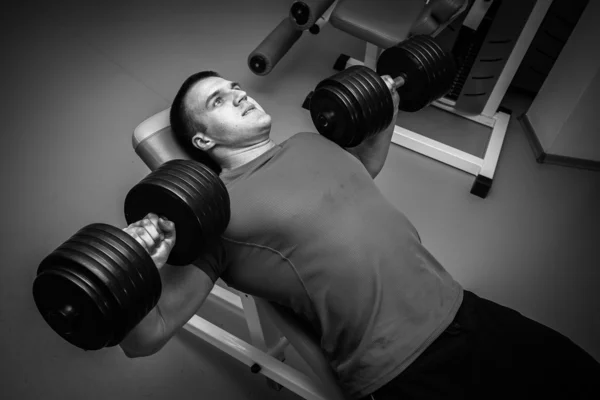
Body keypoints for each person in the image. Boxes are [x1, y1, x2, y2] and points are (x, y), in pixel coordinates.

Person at [119, 71, 600, 399]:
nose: (241, 94)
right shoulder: (213, 214)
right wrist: (142, 264)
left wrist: (386, 115)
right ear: (203, 140)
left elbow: (360, 173)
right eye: (218, 101)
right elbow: (147, 336)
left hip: (464, 308)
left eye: (235, 86)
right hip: (406, 367)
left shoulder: (308, 142)